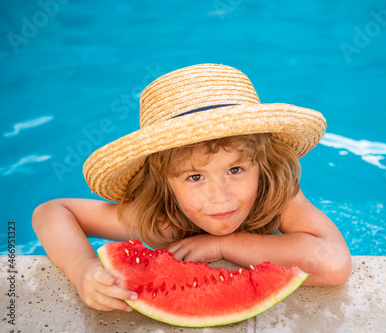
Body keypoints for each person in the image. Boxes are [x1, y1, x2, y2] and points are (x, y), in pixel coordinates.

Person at [32, 64, 351, 312]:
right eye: (195, 177)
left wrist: (224, 246)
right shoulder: (161, 221)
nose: (219, 196)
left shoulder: (276, 193)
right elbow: (51, 211)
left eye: (235, 169)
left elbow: (334, 264)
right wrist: (83, 269)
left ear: (262, 164)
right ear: (164, 183)